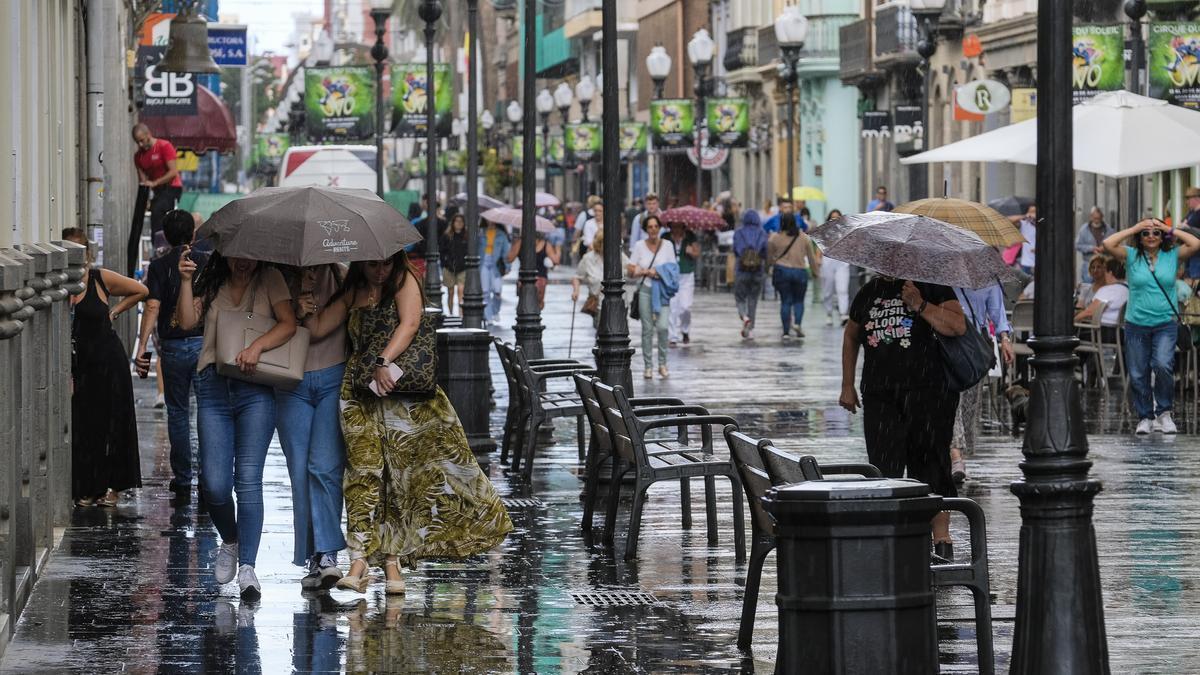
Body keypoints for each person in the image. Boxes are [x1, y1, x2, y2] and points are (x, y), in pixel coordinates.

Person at [302, 252, 513, 594]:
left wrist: (384, 360)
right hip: (359, 394)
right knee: (362, 475)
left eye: (386, 263)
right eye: (373, 264)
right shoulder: (353, 290)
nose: (381, 270)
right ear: (361, 263)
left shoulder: (404, 281)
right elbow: (318, 328)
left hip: (403, 393)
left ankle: (391, 564)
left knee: (399, 481)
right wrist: (305, 301)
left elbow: (411, 323)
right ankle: (358, 560)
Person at [176, 250, 298, 600]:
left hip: (255, 388)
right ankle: (230, 539)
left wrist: (257, 347)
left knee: (247, 480)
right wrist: (186, 281)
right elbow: (186, 323)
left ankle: (248, 567)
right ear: (226, 253)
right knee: (214, 484)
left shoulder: (270, 279)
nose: (243, 262)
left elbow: (288, 323)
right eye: (236, 257)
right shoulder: (213, 280)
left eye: (249, 257)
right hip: (213, 385)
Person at [840, 275, 966, 562]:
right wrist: (847, 384)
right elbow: (851, 335)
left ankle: (941, 539)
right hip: (880, 395)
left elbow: (957, 325)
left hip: (929, 392)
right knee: (885, 467)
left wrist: (920, 304)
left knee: (932, 463)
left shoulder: (932, 285)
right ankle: (895, 537)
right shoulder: (869, 291)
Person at [63, 228, 147, 508]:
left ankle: (114, 487)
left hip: (108, 360)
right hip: (80, 366)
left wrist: (115, 310)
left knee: (113, 422)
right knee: (85, 425)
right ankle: (88, 487)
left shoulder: (99, 278)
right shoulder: (60, 284)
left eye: (79, 253)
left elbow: (141, 291)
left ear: (86, 255)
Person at [277, 263, 349, 591]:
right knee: (299, 472)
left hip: (334, 375)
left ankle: (328, 554)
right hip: (291, 379)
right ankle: (312, 554)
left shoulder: (344, 275)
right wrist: (294, 306)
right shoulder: (276, 277)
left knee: (325, 466)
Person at [134, 210, 208, 503]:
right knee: (206, 410)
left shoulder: (160, 265)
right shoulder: (206, 260)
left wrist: (142, 348)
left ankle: (183, 478)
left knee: (177, 412)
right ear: (192, 233)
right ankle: (207, 476)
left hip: (174, 347)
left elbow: (152, 307)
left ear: (165, 234)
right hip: (204, 344)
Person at [1102, 218, 1200, 435]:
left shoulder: (1172, 255)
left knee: (1163, 364)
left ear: (1162, 236)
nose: (1151, 237)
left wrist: (1169, 229)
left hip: (1165, 322)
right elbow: (1108, 243)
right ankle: (1145, 416)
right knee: (1138, 373)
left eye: (1156, 233)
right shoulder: (1131, 255)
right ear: (1140, 237)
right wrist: (1135, 227)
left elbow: (1195, 243)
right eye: (1146, 233)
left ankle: (1164, 413)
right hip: (1136, 323)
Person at [949, 283, 1015, 483]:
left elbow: (996, 311)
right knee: (953, 402)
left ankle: (961, 456)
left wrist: (1005, 339)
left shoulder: (986, 280)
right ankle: (955, 456)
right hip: (948, 344)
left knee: (970, 406)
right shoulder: (942, 278)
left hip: (975, 348)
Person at [627, 215, 677, 379]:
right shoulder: (639, 246)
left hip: (661, 291)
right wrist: (644, 271)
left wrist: (658, 272)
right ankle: (648, 366)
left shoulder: (668, 245)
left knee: (663, 327)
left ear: (660, 228)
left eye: (656, 226)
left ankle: (662, 364)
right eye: (650, 227)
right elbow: (631, 270)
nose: (653, 229)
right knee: (647, 329)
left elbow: (673, 269)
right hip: (645, 290)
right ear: (645, 229)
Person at [767, 212, 820, 340]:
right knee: (799, 301)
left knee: (785, 301)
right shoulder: (804, 238)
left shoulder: (775, 237)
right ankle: (797, 324)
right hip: (800, 272)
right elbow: (811, 257)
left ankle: (785, 332)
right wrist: (815, 272)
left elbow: (769, 257)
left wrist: (771, 265)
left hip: (782, 271)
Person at [571, 229, 629, 329]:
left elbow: (631, 269)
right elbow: (577, 277)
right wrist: (576, 291)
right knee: (601, 335)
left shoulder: (620, 256)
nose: (609, 246)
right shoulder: (588, 258)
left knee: (620, 334)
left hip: (620, 304)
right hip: (599, 306)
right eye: (605, 243)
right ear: (599, 244)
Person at [132, 123, 183, 235]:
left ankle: (164, 241)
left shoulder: (164, 146)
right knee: (154, 215)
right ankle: (157, 244)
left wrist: (155, 183)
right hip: (157, 191)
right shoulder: (138, 157)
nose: (140, 144)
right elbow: (143, 181)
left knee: (158, 210)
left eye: (142, 140)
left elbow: (173, 172)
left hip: (172, 187)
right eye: (137, 142)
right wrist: (145, 200)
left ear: (148, 134)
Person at [733, 210, 769, 339]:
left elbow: (735, 251)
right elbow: (765, 252)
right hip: (757, 270)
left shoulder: (738, 232)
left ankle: (744, 316)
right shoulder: (762, 233)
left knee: (740, 298)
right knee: (753, 300)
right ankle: (751, 328)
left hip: (741, 270)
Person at [507, 231, 560, 310]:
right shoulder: (545, 244)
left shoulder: (521, 242)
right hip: (538, 279)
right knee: (537, 304)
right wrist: (558, 249)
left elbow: (510, 258)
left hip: (524, 278)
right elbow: (556, 261)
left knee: (524, 304)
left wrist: (517, 243)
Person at [668, 221, 700, 345]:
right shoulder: (666, 237)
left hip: (686, 275)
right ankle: (672, 336)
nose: (676, 229)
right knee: (672, 306)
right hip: (671, 274)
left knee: (685, 307)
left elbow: (697, 253)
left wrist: (691, 252)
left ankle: (685, 330)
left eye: (679, 226)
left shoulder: (690, 236)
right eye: (674, 226)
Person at [820, 209, 852, 326]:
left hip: (842, 263)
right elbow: (819, 248)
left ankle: (843, 313)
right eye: (832, 218)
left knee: (842, 289)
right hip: (828, 262)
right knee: (828, 291)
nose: (834, 220)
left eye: (837, 218)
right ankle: (828, 313)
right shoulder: (823, 231)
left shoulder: (846, 231)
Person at [479, 219, 511, 324]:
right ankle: (488, 317)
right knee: (485, 292)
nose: (490, 221)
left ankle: (495, 311)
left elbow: (506, 251)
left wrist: (507, 266)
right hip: (483, 262)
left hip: (495, 264)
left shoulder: (501, 234)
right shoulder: (480, 232)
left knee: (497, 291)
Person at [1075, 207, 1114, 283]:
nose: (1097, 220)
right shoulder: (1084, 229)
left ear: (1102, 217)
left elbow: (1114, 245)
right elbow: (1078, 245)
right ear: (1091, 216)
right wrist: (1091, 248)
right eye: (1095, 218)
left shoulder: (1109, 230)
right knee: (1089, 288)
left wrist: (1104, 248)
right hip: (1088, 265)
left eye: (1098, 218)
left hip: (1104, 265)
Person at [440, 213, 469, 316]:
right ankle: (451, 314)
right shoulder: (447, 236)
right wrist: (444, 263)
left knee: (461, 291)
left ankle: (461, 314)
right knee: (450, 292)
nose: (459, 223)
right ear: (453, 223)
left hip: (462, 267)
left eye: (461, 221)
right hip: (449, 267)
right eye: (457, 221)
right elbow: (442, 251)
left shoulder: (466, 236)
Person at [1182, 187, 1200, 280]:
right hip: (1189, 251)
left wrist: (1188, 228)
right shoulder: (1191, 213)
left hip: (1198, 253)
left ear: (1197, 198)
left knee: (1196, 279)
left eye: (1189, 198)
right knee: (1189, 279)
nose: (1187, 201)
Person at [1018, 204, 1037, 275]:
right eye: (1031, 212)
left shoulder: (1041, 222)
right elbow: (1008, 220)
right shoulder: (1024, 224)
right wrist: (1024, 216)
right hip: (1027, 263)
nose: (1033, 214)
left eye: (1035, 212)